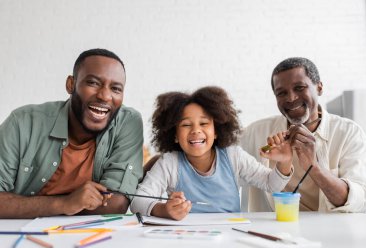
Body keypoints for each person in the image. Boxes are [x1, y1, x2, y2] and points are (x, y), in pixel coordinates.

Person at [0, 48, 143, 218]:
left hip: (86, 236)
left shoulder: (127, 122)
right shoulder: (22, 122)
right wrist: (64, 204)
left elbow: (116, 202)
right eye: (93, 83)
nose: (105, 96)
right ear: (71, 84)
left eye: (116, 89)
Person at [130, 86, 293, 220]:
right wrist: (164, 209)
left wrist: (284, 161)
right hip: (186, 238)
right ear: (174, 135)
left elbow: (272, 185)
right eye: (186, 125)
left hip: (231, 234)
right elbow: (137, 201)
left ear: (216, 131)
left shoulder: (233, 155)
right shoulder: (170, 162)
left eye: (204, 123)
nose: (195, 130)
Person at [240, 57, 366, 212]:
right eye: (281, 93)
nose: (291, 98)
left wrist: (314, 167)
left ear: (319, 88)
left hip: (330, 233)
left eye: (299, 88)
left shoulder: (349, 133)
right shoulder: (255, 132)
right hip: (268, 232)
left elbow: (360, 204)